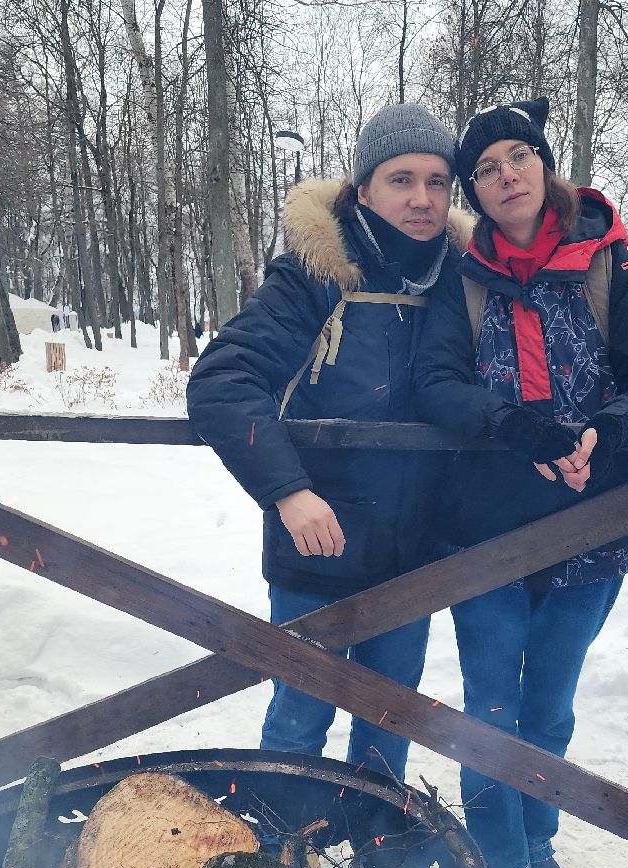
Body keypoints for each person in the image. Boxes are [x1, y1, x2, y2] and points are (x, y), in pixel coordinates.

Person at [413, 97, 628, 868]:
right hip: (485, 534)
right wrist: (510, 426)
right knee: (489, 707)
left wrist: (605, 437)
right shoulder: (456, 278)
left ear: (544, 163)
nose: (506, 177)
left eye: (517, 158)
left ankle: (537, 841)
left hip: (594, 526)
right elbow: (437, 384)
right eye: (487, 170)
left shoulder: (611, 262)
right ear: (476, 191)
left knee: (551, 708)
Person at [187, 103, 468, 783]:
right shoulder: (316, 274)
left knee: (389, 720)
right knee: (299, 719)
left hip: (416, 555)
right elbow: (223, 380)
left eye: (437, 182)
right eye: (402, 180)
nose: (422, 198)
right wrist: (288, 491)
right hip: (320, 546)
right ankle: (282, 865)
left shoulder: (463, 281)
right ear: (364, 189)